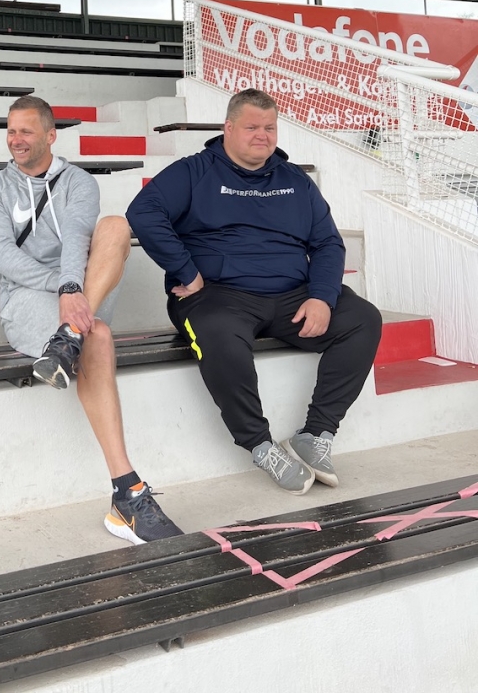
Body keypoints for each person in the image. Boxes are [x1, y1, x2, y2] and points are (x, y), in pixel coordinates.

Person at [127, 88, 382, 496]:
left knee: (363, 319)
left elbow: (328, 244)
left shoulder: (295, 180)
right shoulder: (194, 171)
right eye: (251, 127)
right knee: (218, 333)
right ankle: (260, 445)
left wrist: (321, 296)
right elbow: (143, 211)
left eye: (269, 127)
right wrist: (186, 271)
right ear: (228, 128)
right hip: (218, 295)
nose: (262, 135)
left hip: (292, 295)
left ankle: (316, 433)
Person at [0, 95, 183, 545]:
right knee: (99, 335)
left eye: (26, 131)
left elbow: (75, 237)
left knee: (115, 226)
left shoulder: (78, 182)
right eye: (11, 131)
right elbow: (3, 258)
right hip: (28, 298)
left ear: (51, 135)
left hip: (85, 290)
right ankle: (127, 492)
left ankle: (68, 335)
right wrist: (63, 288)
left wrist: (74, 292)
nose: (16, 139)